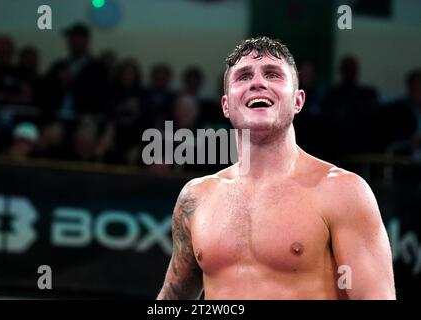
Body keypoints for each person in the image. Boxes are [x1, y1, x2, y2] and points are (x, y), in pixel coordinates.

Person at [157, 36, 395, 300]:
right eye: (244, 76)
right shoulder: (196, 197)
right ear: (226, 105)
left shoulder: (343, 191)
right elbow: (173, 299)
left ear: (298, 101)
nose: (258, 83)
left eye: (272, 75)